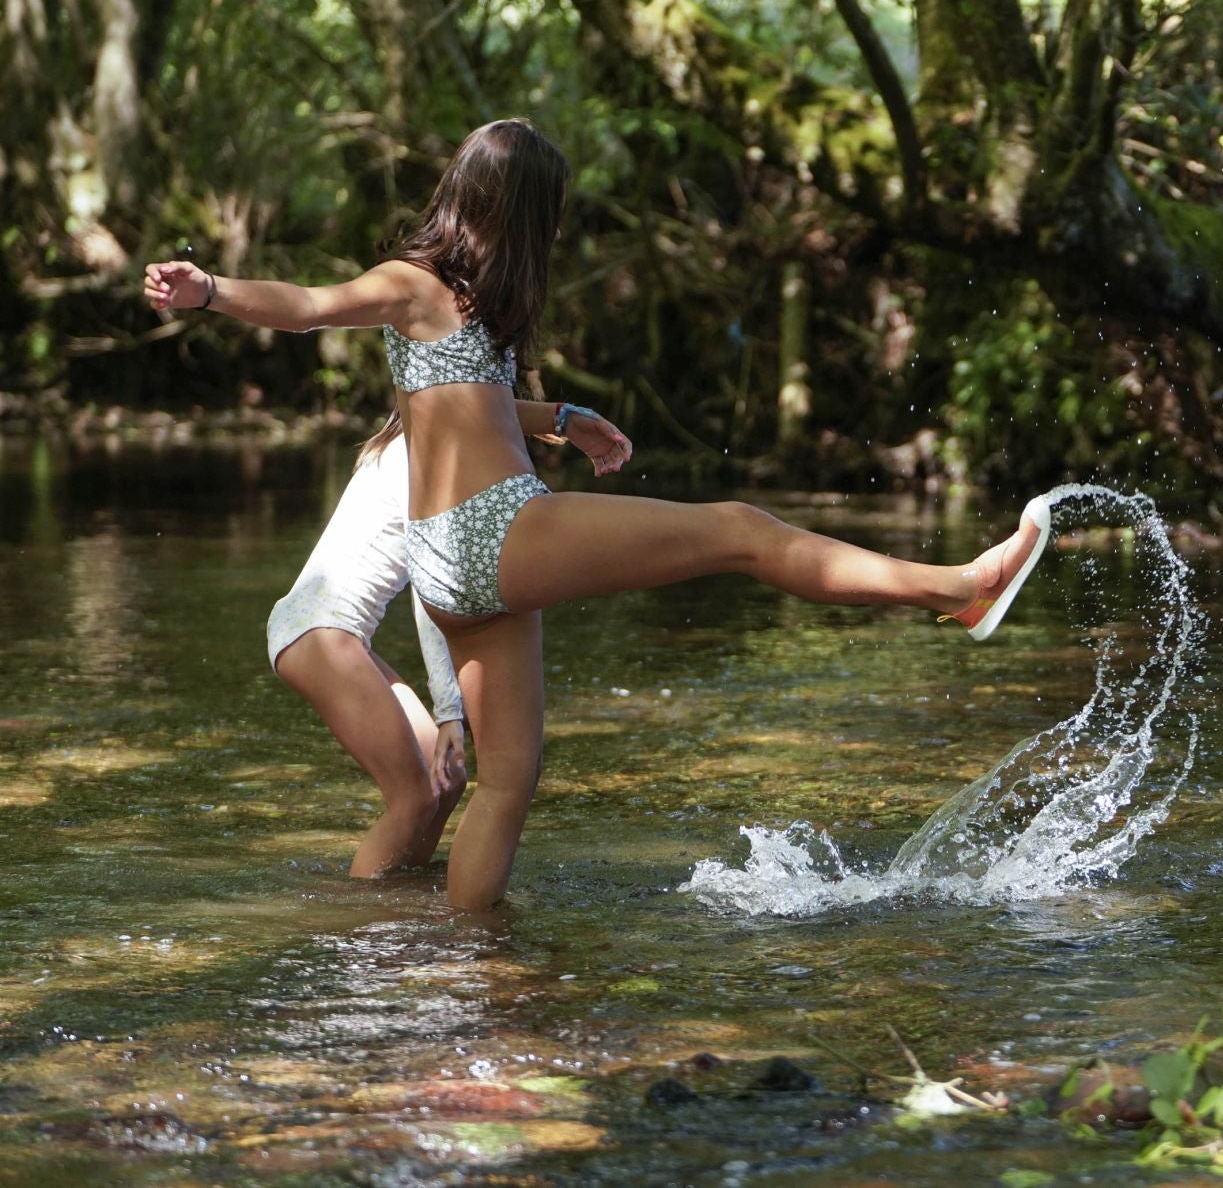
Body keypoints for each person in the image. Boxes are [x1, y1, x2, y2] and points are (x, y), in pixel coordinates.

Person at [143, 117, 1050, 910]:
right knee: (738, 530)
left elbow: (474, 407)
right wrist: (211, 290)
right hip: (490, 532)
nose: (560, 229)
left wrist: (566, 421)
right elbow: (307, 308)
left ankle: (458, 977)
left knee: (504, 784)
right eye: (553, 212)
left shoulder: (478, 316)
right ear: (515, 210)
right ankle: (955, 589)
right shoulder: (415, 284)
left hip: (458, 563)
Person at [269, 402, 632, 879]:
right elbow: (432, 590)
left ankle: (400, 890)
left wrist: (561, 421)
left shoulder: (415, 444)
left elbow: (485, 409)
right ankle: (360, 920)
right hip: (320, 633)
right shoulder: (422, 455)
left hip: (327, 632)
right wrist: (449, 714)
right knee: (413, 797)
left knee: (446, 782)